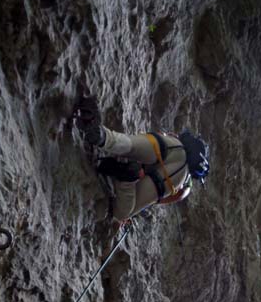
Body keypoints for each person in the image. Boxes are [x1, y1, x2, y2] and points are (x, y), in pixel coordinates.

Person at [73, 96, 209, 234]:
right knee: (122, 213)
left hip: (168, 145)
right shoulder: (185, 186)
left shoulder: (178, 141)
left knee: (128, 145)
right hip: (168, 175)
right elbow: (153, 200)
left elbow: (159, 136)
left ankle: (102, 136)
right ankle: (127, 177)